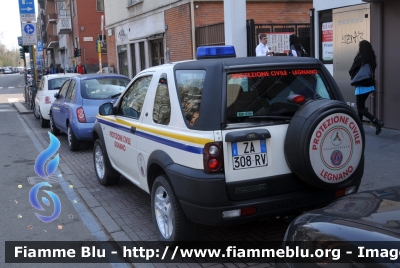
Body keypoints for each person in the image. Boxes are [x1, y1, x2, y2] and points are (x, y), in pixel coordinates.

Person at [349, 40, 384, 135]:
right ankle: (360, 126)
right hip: (369, 86)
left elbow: (351, 70)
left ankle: (376, 121)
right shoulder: (371, 58)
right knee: (362, 106)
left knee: (360, 108)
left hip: (361, 86)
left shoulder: (359, 58)